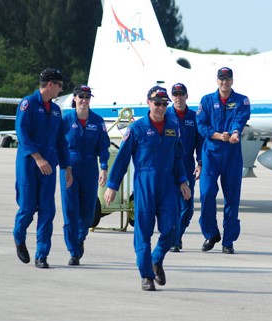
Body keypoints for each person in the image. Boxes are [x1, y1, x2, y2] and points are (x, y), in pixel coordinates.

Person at [103, 86, 191, 291]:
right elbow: (123, 158)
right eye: (157, 103)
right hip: (144, 184)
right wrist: (112, 186)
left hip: (168, 185)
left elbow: (178, 158)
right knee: (143, 232)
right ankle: (146, 276)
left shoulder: (172, 127)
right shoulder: (137, 128)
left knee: (172, 229)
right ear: (148, 103)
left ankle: (156, 259)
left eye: (164, 103)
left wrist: (183, 181)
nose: (160, 107)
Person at [13, 68, 73, 269]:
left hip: (49, 167)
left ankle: (42, 255)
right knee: (28, 208)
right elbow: (22, 135)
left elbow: (61, 142)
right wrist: (38, 158)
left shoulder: (56, 111)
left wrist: (67, 168)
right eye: (59, 85)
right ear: (50, 84)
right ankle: (19, 236)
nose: (61, 89)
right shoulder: (27, 104)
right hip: (29, 165)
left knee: (48, 211)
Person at [196, 67, 251, 254]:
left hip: (232, 155)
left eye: (227, 79)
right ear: (217, 80)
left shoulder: (241, 100)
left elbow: (240, 119)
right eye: (221, 79)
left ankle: (228, 241)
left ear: (232, 81)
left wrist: (235, 133)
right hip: (211, 154)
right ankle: (211, 233)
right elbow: (201, 125)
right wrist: (218, 135)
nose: (224, 82)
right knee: (206, 193)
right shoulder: (207, 100)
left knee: (232, 198)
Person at [60, 85, 110, 266]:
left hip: (89, 168)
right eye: (81, 96)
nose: (84, 100)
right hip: (69, 168)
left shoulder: (97, 121)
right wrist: (64, 165)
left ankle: (80, 237)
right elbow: (59, 144)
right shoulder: (66, 120)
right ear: (74, 98)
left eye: (87, 97)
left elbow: (103, 146)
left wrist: (104, 167)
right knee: (70, 210)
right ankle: (73, 251)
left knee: (88, 212)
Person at [167, 83, 203, 252]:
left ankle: (176, 236)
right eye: (175, 94)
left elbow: (200, 143)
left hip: (187, 165)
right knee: (171, 205)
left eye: (181, 94)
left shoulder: (193, 117)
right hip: (167, 166)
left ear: (186, 96)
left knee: (187, 208)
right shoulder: (164, 114)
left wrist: (201, 163)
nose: (178, 97)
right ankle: (173, 239)